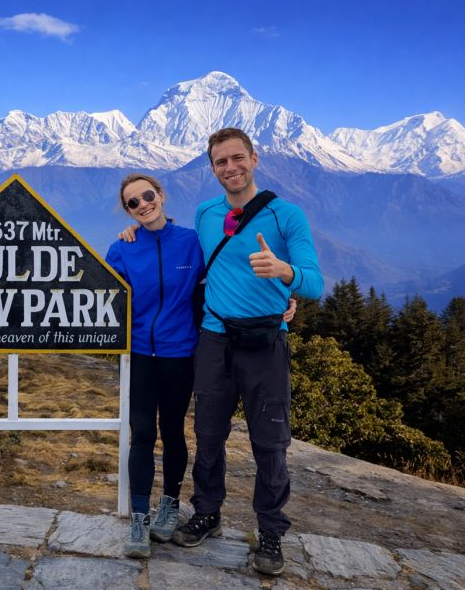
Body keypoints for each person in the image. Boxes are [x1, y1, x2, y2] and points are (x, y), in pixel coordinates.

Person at [107, 174, 296, 559]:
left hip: (181, 353)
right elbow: (107, 297)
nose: (143, 204)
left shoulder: (192, 241)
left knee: (173, 432)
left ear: (161, 195)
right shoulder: (122, 247)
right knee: (142, 433)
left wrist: (286, 300)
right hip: (142, 352)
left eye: (148, 195)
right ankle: (140, 518)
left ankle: (171, 504)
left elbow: (231, 276)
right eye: (132, 203)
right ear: (126, 210)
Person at [173, 127, 322, 576]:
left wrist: (285, 272)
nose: (231, 168)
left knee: (270, 444)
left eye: (238, 158)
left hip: (264, 345)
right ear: (212, 167)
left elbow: (313, 283)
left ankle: (271, 533)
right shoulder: (205, 214)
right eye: (221, 162)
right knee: (208, 436)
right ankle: (207, 513)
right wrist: (132, 233)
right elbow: (190, 261)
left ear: (255, 159)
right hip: (214, 340)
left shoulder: (285, 215)